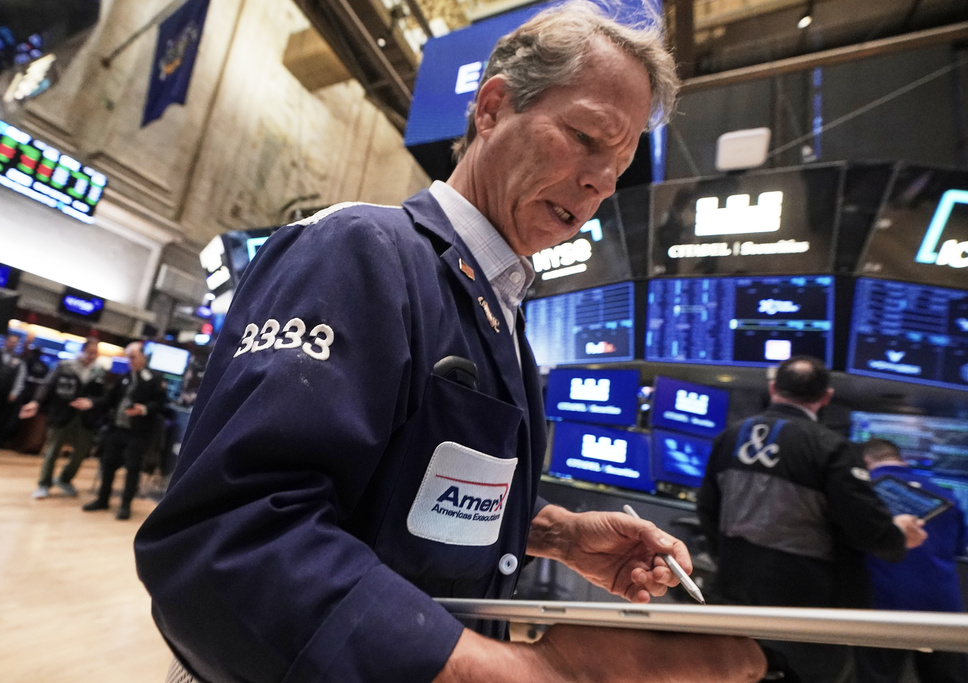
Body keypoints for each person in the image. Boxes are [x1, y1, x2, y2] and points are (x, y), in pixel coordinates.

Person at [134, 3, 769, 683]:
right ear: (492, 109)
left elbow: (399, 496)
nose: (599, 184)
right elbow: (232, 541)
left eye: (617, 166)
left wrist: (555, 533)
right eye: (586, 136)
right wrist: (538, 673)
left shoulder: (500, 314)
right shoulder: (361, 251)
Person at [697, 355, 928, 683]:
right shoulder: (831, 448)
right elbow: (867, 529)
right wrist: (899, 535)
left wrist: (731, 564)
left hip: (737, 596)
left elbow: (707, 511)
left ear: (774, 388)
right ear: (826, 397)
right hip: (808, 612)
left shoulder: (730, 437)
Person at [854, 438, 968, 683]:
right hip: (942, 607)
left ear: (865, 461)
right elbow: (959, 548)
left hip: (881, 604)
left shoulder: (861, 495)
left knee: (878, 677)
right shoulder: (946, 495)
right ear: (901, 459)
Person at [82, 341, 167, 520]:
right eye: (128, 357)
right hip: (117, 430)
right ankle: (103, 499)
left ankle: (125, 505)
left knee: (132, 469)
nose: (130, 361)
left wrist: (143, 409)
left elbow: (159, 404)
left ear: (143, 357)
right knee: (108, 465)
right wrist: (91, 403)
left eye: (133, 357)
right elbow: (110, 399)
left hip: (137, 433)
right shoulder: (125, 377)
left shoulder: (155, 379)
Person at [21, 338, 106, 499]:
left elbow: (103, 396)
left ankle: (64, 479)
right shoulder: (65, 366)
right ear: (82, 351)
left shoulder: (99, 371)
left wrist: (91, 402)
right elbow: (47, 385)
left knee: (81, 452)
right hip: (61, 414)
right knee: (52, 451)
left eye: (95, 353)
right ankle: (44, 484)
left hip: (85, 419)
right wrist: (36, 402)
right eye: (90, 352)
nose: (92, 356)